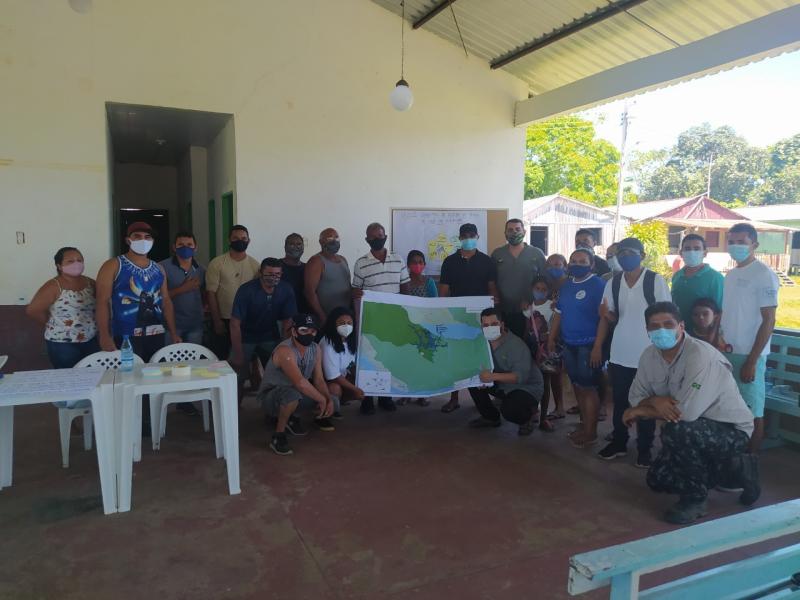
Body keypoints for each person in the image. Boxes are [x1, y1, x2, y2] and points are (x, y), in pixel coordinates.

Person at [623, 302, 760, 524]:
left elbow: (685, 414)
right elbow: (635, 395)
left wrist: (640, 410)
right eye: (654, 326)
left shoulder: (699, 354)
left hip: (730, 430)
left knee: (678, 431)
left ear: (681, 326)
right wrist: (655, 400)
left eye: (668, 324)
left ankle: (695, 500)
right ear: (647, 331)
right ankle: (734, 469)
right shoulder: (649, 356)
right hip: (692, 428)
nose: (662, 330)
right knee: (658, 480)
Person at [595, 236, 671, 466]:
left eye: (630, 252)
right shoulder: (613, 283)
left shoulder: (655, 281)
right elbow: (614, 317)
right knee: (620, 401)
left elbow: (667, 316)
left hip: (649, 353)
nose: (625, 257)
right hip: (620, 351)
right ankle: (619, 441)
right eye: (621, 253)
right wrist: (606, 316)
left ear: (642, 255)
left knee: (646, 403)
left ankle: (645, 448)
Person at [721, 223, 779, 453]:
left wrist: (752, 361)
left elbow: (769, 321)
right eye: (732, 242)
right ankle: (732, 457)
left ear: (754, 245)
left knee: (753, 412)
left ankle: (748, 465)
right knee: (729, 408)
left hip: (749, 355)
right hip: (728, 352)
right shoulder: (731, 274)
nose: (736, 247)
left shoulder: (764, 274)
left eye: (742, 242)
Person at [548, 248, 607, 448]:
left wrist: (598, 346)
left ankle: (591, 433)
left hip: (588, 345)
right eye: (573, 260)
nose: (577, 264)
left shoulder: (599, 285)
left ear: (592, 265)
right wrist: (551, 338)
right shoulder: (566, 285)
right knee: (578, 387)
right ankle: (585, 426)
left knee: (588, 388)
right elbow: (558, 313)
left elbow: (604, 318)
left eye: (583, 261)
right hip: (569, 344)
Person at [95, 221, 179, 361]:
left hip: (156, 332)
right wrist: (104, 335)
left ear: (152, 241)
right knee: (127, 377)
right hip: (125, 335)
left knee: (155, 374)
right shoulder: (113, 265)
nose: (143, 240)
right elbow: (102, 301)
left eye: (147, 237)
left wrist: (173, 332)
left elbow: (166, 300)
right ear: (128, 240)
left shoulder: (159, 268)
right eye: (137, 236)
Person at [438, 223, 499, 413]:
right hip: (457, 318)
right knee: (456, 357)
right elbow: (444, 292)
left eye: (471, 235)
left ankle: (485, 397)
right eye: (464, 235)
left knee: (482, 354)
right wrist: (442, 312)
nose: (468, 238)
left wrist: (496, 307)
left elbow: (492, 288)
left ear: (478, 236)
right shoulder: (449, 262)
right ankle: (454, 397)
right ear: (459, 238)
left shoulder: (487, 261)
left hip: (482, 318)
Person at [352, 222, 410, 414]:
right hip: (371, 320)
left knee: (389, 358)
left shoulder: (398, 260)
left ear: (386, 236)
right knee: (370, 359)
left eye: (380, 235)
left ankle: (386, 397)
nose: (378, 239)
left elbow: (405, 288)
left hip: (394, 319)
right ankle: (367, 398)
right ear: (367, 240)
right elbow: (356, 292)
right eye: (373, 237)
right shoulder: (361, 263)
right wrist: (359, 319)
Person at [258, 314, 335, 456]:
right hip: (272, 396)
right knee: (292, 395)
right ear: (294, 331)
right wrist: (321, 399)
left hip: (296, 392)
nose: (309, 334)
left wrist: (327, 399)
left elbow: (318, 379)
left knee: (333, 400)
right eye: (304, 330)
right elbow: (300, 382)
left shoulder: (316, 349)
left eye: (312, 331)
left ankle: (293, 417)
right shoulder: (285, 350)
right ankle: (278, 436)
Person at [468, 308, 544, 436]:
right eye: (485, 325)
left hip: (526, 387)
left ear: (502, 325)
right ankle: (491, 417)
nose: (489, 328)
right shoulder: (482, 343)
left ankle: (526, 419)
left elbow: (520, 377)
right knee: (473, 382)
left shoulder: (516, 345)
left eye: (494, 324)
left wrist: (491, 377)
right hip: (502, 384)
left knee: (509, 410)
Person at [230, 258, 297, 399]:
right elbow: (235, 323)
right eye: (269, 274)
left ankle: (272, 410)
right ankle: (232, 410)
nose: (273, 278)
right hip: (245, 336)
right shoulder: (246, 290)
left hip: (270, 335)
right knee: (236, 376)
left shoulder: (286, 289)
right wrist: (237, 352)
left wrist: (284, 347)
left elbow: (288, 321)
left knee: (276, 374)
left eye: (277, 274)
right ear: (260, 272)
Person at [26, 247, 99, 368]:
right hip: (62, 343)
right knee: (69, 378)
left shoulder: (90, 283)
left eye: (79, 260)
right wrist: (52, 322)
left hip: (90, 339)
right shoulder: (53, 286)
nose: (76, 263)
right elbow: (33, 310)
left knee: (93, 377)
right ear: (59, 266)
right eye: (70, 261)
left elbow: (101, 303)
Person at [206, 225, 260, 359]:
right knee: (222, 358)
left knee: (244, 358)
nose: (240, 241)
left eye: (243, 238)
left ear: (249, 241)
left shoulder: (255, 265)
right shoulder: (217, 263)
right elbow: (211, 293)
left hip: (247, 321)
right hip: (223, 319)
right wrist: (217, 321)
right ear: (229, 240)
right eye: (235, 238)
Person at [492, 218, 546, 338]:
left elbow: (544, 281)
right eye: (510, 230)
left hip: (529, 309)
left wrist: (535, 301)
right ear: (505, 233)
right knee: (504, 341)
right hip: (503, 309)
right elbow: (492, 280)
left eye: (517, 229)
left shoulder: (536, 254)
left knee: (527, 343)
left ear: (524, 232)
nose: (514, 232)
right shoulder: (497, 254)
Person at [523, 276, 563, 430]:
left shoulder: (552, 306)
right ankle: (533, 411)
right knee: (533, 382)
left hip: (547, 351)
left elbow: (557, 325)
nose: (540, 292)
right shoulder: (528, 308)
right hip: (532, 350)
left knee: (545, 383)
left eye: (544, 289)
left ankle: (543, 417)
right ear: (532, 290)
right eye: (537, 289)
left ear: (549, 291)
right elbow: (526, 330)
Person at [670, 234, 724, 336]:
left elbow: (720, 312)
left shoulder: (715, 278)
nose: (692, 252)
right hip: (680, 334)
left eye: (696, 248)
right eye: (687, 248)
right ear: (681, 253)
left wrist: (712, 337)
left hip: (705, 335)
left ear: (705, 253)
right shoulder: (677, 276)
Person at [159, 231, 206, 345]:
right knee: (170, 360)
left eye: (189, 245)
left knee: (194, 360)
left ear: (195, 248)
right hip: (170, 326)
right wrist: (183, 289)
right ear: (174, 247)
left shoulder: (201, 269)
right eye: (181, 245)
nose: (185, 248)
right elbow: (157, 298)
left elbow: (205, 294)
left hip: (195, 325)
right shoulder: (162, 267)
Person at [319, 306, 363, 416]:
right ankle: (327, 412)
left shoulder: (350, 340)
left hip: (342, 377)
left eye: (349, 323)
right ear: (333, 324)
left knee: (364, 382)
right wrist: (355, 389)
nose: (346, 326)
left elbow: (351, 366)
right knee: (335, 388)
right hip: (324, 382)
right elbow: (333, 376)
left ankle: (339, 402)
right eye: (341, 323)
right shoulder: (328, 343)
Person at [305, 228, 352, 327]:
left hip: (344, 319)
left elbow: (347, 286)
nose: (334, 241)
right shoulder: (316, 261)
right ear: (321, 242)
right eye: (330, 238)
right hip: (326, 319)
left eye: (336, 237)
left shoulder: (343, 259)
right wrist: (322, 317)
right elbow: (309, 292)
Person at [280, 233, 309, 313]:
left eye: (299, 244)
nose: (296, 247)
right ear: (285, 247)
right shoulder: (277, 266)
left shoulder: (308, 268)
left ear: (303, 247)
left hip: (304, 315)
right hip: (280, 316)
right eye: (291, 244)